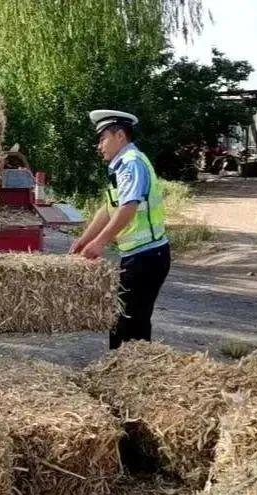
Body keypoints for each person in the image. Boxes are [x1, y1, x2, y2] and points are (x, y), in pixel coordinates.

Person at [70, 110, 171, 350]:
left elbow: (128, 208)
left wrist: (100, 243)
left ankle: (131, 369)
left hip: (147, 256)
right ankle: (123, 368)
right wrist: (84, 239)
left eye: (102, 139)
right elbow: (108, 209)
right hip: (139, 255)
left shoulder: (131, 163)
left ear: (120, 136)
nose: (99, 146)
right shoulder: (121, 166)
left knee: (130, 323)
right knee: (124, 320)